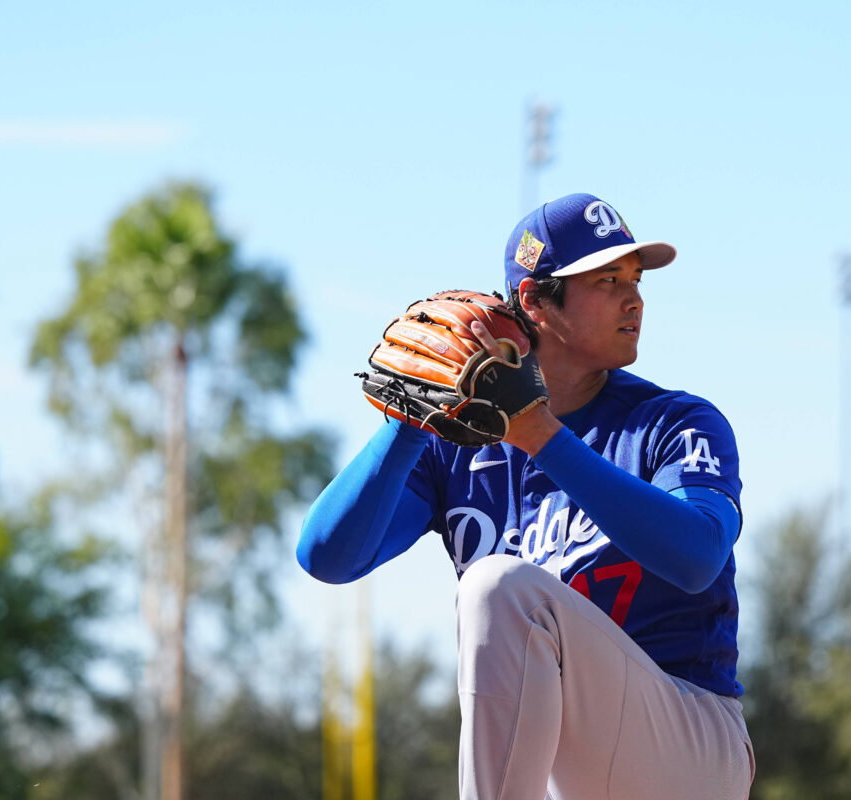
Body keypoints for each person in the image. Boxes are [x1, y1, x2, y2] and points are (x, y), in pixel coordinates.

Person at [297, 192, 754, 800]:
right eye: (608, 280)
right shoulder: (454, 447)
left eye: (635, 279)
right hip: (554, 764)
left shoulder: (673, 422)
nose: (634, 299)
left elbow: (698, 557)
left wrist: (541, 435)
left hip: (684, 740)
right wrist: (410, 420)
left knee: (497, 585)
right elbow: (327, 556)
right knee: (498, 591)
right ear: (536, 299)